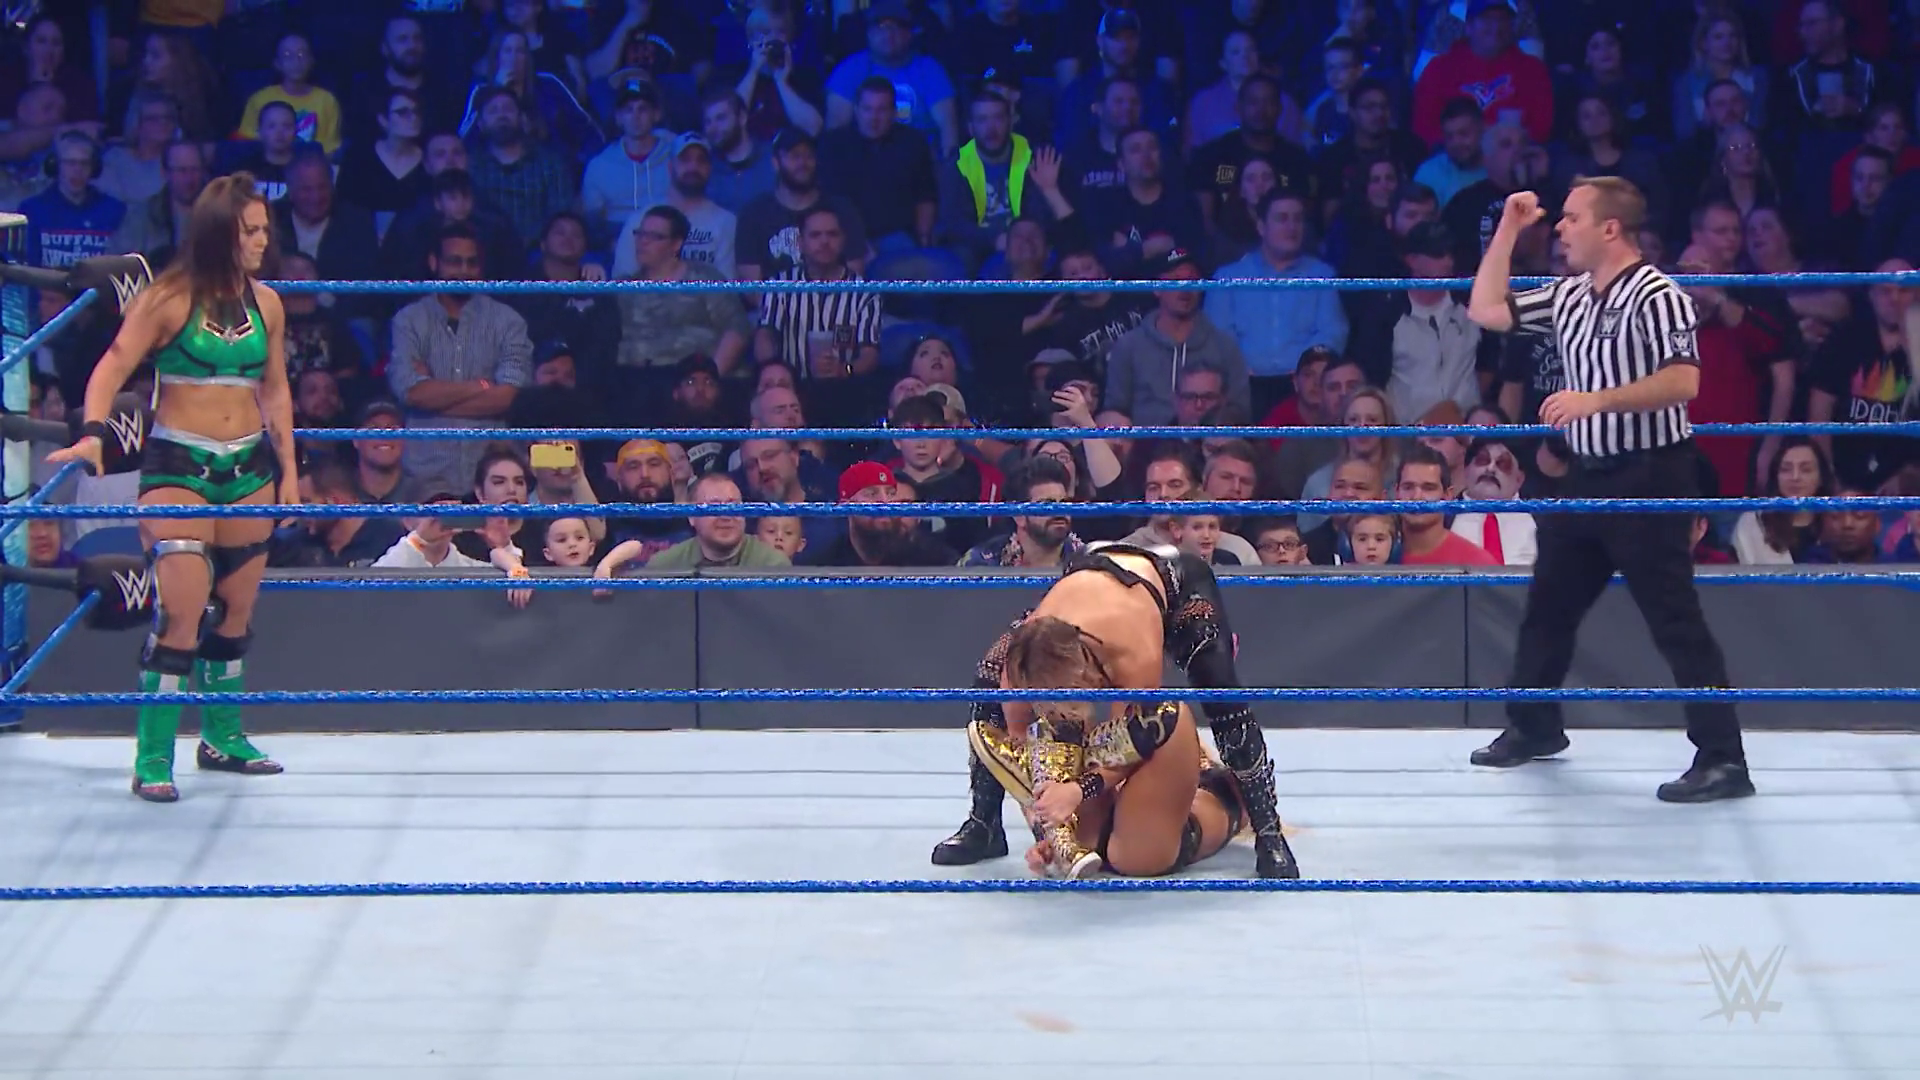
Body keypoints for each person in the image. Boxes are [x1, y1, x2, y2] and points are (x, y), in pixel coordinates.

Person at [1463, 176, 1751, 803]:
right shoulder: (1568, 294)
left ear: (1610, 228)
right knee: (1549, 604)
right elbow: (1484, 310)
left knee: (1674, 618)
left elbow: (1684, 382)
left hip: (1651, 477)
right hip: (1586, 476)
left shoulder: (1659, 295)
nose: (1560, 228)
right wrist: (1509, 229)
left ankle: (1724, 759)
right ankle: (1534, 725)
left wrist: (1598, 400)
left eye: (1572, 218)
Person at [49, 173, 299, 803]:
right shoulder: (168, 297)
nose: (262, 241)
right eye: (250, 230)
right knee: (182, 613)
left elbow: (275, 389)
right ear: (219, 232)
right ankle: (153, 756)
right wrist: (94, 431)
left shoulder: (268, 303)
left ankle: (222, 738)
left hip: (249, 468)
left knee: (236, 612)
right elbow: (113, 363)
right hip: (179, 467)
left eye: (265, 229)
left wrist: (291, 473)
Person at [933, 543, 1300, 879]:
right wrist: (1049, 830)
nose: (1060, 709)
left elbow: (1134, 745)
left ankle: (1268, 832)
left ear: (1087, 673)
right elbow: (1022, 757)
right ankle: (984, 824)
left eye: (1068, 696)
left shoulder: (1132, 653)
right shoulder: (1017, 669)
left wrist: (1083, 793)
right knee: (985, 686)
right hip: (1086, 575)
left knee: (1221, 691)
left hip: (1171, 583)